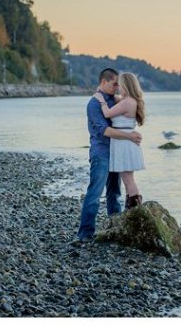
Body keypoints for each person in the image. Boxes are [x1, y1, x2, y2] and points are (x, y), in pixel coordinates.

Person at [76, 68, 142, 243]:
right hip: (101, 153)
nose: (117, 88)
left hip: (116, 152)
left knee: (114, 193)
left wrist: (130, 131)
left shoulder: (115, 100)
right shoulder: (93, 104)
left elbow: (128, 109)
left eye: (119, 85)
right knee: (95, 194)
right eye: (114, 85)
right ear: (103, 82)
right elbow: (103, 130)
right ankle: (85, 234)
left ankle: (116, 226)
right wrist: (129, 135)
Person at [93, 72, 146, 209]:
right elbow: (116, 99)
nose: (118, 88)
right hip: (125, 140)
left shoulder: (127, 102)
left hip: (124, 142)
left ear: (126, 86)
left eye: (120, 85)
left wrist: (100, 99)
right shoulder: (129, 100)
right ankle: (132, 209)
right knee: (128, 178)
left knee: (127, 179)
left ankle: (134, 210)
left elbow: (107, 113)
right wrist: (104, 92)